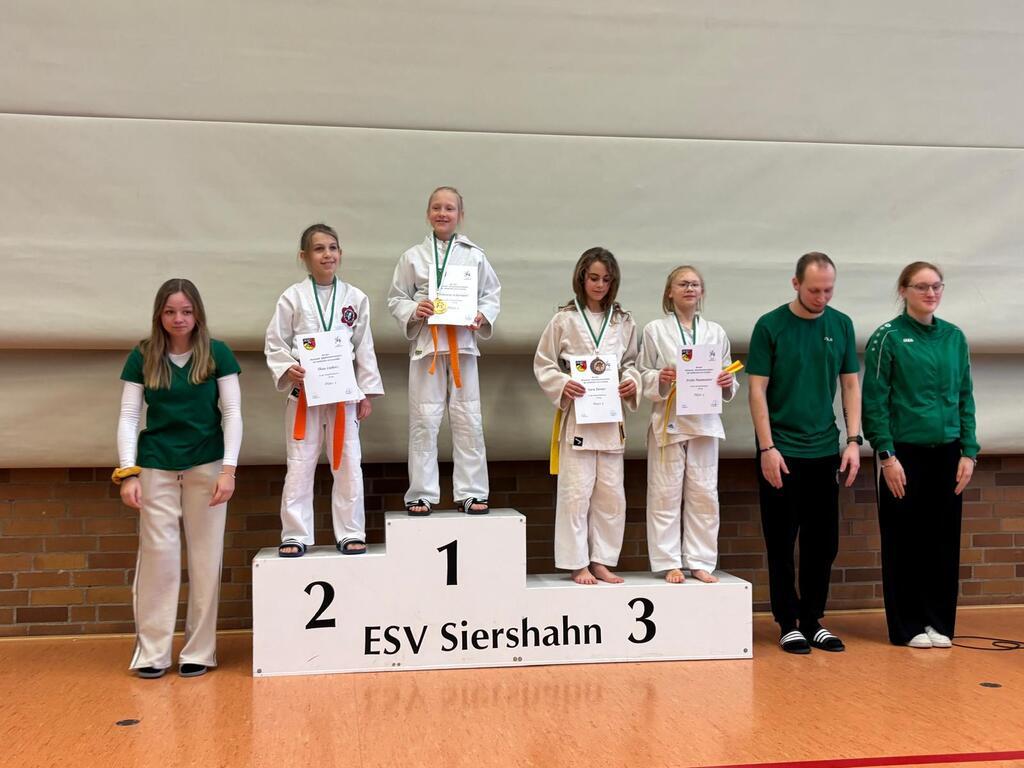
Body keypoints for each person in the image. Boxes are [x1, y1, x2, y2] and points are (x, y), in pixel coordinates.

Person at [114, 278, 242, 679]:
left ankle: (199, 651)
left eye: (186, 311)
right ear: (159, 315)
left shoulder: (217, 353)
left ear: (197, 313)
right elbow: (129, 416)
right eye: (170, 311)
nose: (178, 318)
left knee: (206, 560)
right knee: (159, 561)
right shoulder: (143, 355)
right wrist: (128, 472)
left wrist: (229, 470)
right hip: (156, 465)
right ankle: (153, 653)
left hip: (208, 465)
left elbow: (232, 413)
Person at [747, 252, 861, 654]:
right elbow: (756, 389)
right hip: (781, 450)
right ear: (795, 284)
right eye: (814, 290)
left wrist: (853, 440)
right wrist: (767, 447)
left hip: (824, 449)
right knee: (781, 541)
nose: (822, 297)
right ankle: (787, 622)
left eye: (828, 290)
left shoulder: (841, 324)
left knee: (822, 543)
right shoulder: (770, 325)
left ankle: (813, 620)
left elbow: (850, 385)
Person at [863, 261, 977, 649]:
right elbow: (874, 400)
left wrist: (969, 452)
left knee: (943, 541)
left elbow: (965, 397)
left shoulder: (954, 337)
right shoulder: (888, 337)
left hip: (947, 453)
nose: (930, 293)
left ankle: (938, 622)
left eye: (936, 286)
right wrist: (886, 455)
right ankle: (907, 625)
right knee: (904, 541)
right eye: (922, 287)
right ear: (904, 291)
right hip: (903, 455)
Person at [265, 223, 384, 557]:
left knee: (348, 463)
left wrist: (366, 391)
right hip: (305, 395)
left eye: (332, 248)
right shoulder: (292, 297)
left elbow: (364, 347)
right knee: (299, 463)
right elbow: (275, 342)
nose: (327, 254)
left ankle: (351, 531)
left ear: (340, 253)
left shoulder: (355, 298)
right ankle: (295, 534)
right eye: (319, 249)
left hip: (343, 395)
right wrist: (288, 367)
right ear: (304, 256)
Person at [387, 187, 500, 515]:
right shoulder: (412, 256)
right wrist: (414, 309)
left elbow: (491, 293)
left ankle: (472, 492)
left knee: (468, 418)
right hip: (428, 348)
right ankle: (421, 493)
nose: (442, 213)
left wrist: (482, 315)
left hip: (463, 347)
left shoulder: (475, 255)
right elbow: (396, 297)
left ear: (460, 215)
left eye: (449, 208)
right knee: (424, 419)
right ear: (428, 214)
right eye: (436, 207)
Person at [534, 247, 641, 585]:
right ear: (582, 278)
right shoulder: (564, 319)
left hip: (610, 418)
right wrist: (562, 383)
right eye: (594, 278)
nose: (600, 285)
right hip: (579, 417)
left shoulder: (624, 321)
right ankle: (577, 562)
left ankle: (601, 560)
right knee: (575, 493)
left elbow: (633, 364)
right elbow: (544, 363)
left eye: (606, 280)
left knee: (611, 495)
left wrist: (631, 382)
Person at [638, 265, 739, 584]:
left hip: (704, 423)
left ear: (702, 292)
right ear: (669, 292)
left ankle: (700, 560)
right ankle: (669, 561)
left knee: (704, 494)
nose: (690, 289)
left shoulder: (715, 332)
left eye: (695, 284)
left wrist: (726, 381)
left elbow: (728, 375)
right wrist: (660, 377)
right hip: (669, 421)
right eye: (682, 284)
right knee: (664, 493)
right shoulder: (655, 330)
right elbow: (642, 373)